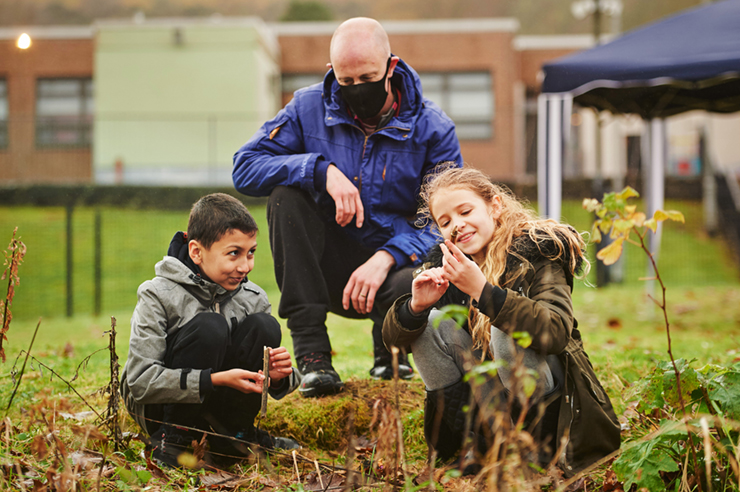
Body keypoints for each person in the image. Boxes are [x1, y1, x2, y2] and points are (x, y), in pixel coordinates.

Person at [232, 17, 462, 397]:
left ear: (391, 67)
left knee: (420, 269)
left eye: (367, 79)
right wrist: (317, 170)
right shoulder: (306, 108)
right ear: (331, 72)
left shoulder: (433, 129)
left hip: (395, 275)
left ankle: (391, 353)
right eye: (346, 81)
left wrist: (389, 255)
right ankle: (313, 359)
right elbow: (245, 167)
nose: (357, 90)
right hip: (325, 269)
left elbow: (446, 220)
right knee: (285, 197)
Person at [382, 166, 620, 474]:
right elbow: (393, 342)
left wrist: (482, 291)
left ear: (495, 206)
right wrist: (415, 307)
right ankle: (476, 446)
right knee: (431, 324)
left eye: (465, 211)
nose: (458, 225)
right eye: (446, 221)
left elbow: (555, 331)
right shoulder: (449, 268)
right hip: (489, 410)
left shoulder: (537, 251)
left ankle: (533, 452)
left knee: (504, 330)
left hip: (554, 412)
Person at [121, 193, 301, 468]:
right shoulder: (157, 294)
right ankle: (174, 439)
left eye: (251, 252)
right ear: (196, 251)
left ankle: (234, 438)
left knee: (265, 326)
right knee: (210, 326)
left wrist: (276, 377)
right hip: (161, 412)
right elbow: (140, 382)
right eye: (234, 254)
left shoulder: (253, 297)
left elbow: (280, 379)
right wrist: (214, 380)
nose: (245, 266)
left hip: (222, 407)